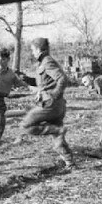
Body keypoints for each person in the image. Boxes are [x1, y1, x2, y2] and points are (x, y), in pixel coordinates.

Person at [18, 37, 74, 169]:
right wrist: (25, 79)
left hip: (51, 104)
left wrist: (54, 94)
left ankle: (58, 130)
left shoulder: (47, 62)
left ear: (38, 49)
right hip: (57, 105)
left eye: (33, 50)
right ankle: (69, 162)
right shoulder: (43, 62)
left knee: (26, 125)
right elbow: (45, 83)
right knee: (57, 139)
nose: (32, 53)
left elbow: (62, 79)